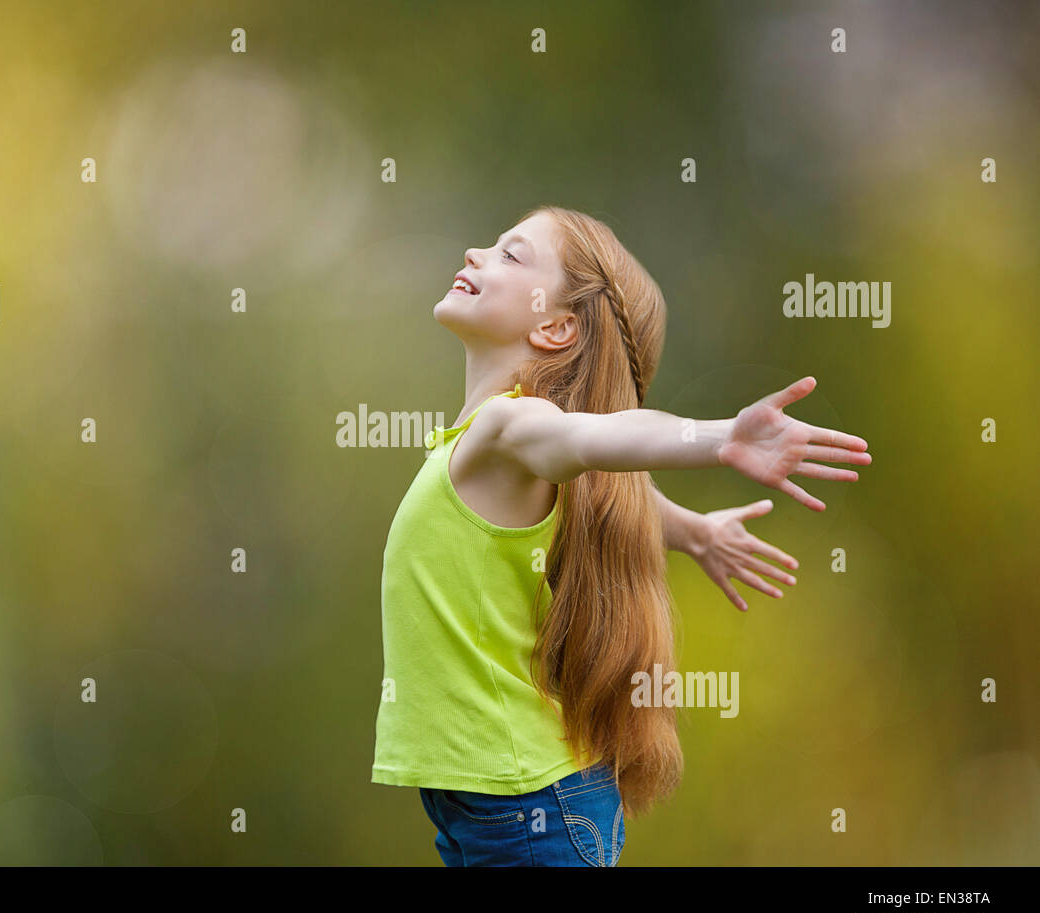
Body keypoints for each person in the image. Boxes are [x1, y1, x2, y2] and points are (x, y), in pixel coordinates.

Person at [370, 205, 872, 866]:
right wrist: (692, 531)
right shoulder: (484, 449)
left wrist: (723, 438)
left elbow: (598, 438)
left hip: (529, 813)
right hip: (502, 806)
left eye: (511, 254)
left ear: (557, 325)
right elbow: (609, 483)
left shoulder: (509, 429)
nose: (473, 253)